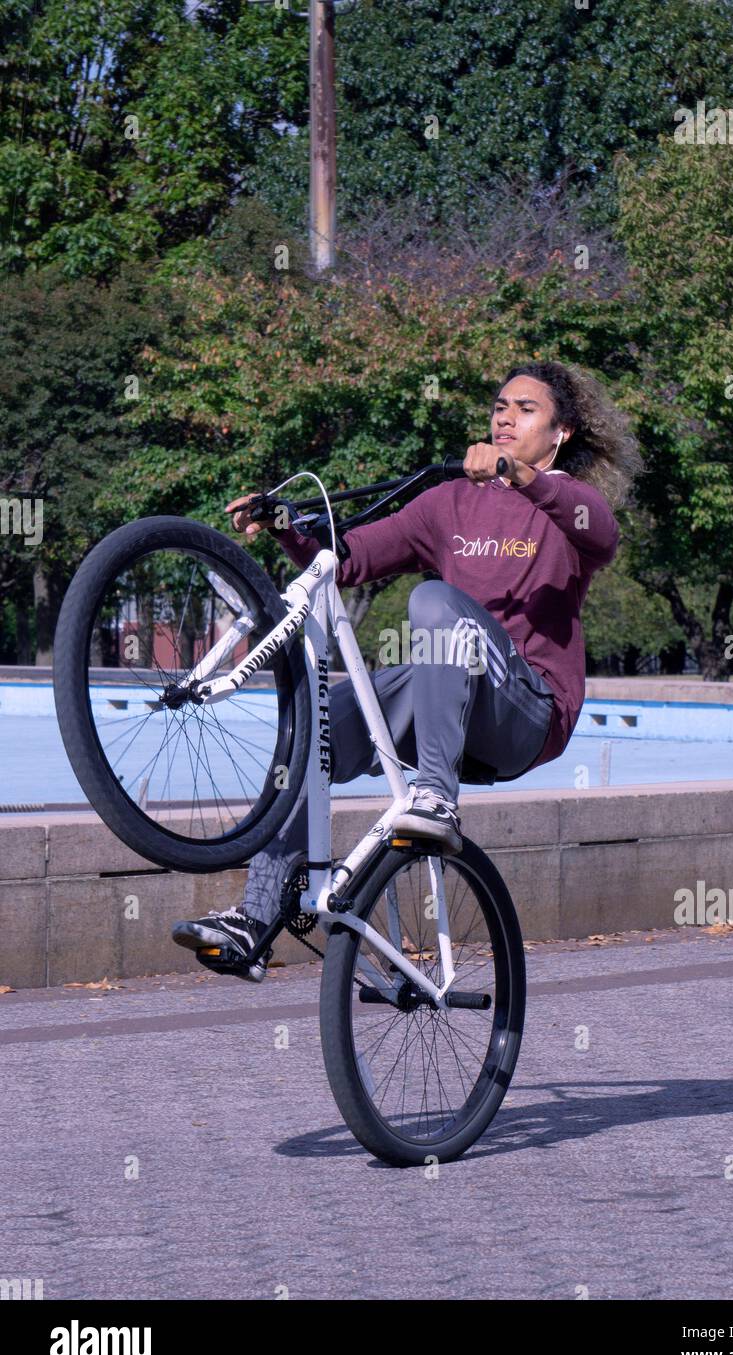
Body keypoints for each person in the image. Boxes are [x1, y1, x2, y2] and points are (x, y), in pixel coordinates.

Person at [171, 360, 642, 980]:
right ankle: (255, 919)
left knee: (433, 603)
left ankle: (436, 801)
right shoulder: (449, 502)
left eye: (526, 410)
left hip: (526, 710)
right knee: (313, 733)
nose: (505, 417)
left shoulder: (570, 506)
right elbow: (347, 559)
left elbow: (598, 529)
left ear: (561, 435)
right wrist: (285, 526)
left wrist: (519, 475)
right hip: (448, 697)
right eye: (500, 406)